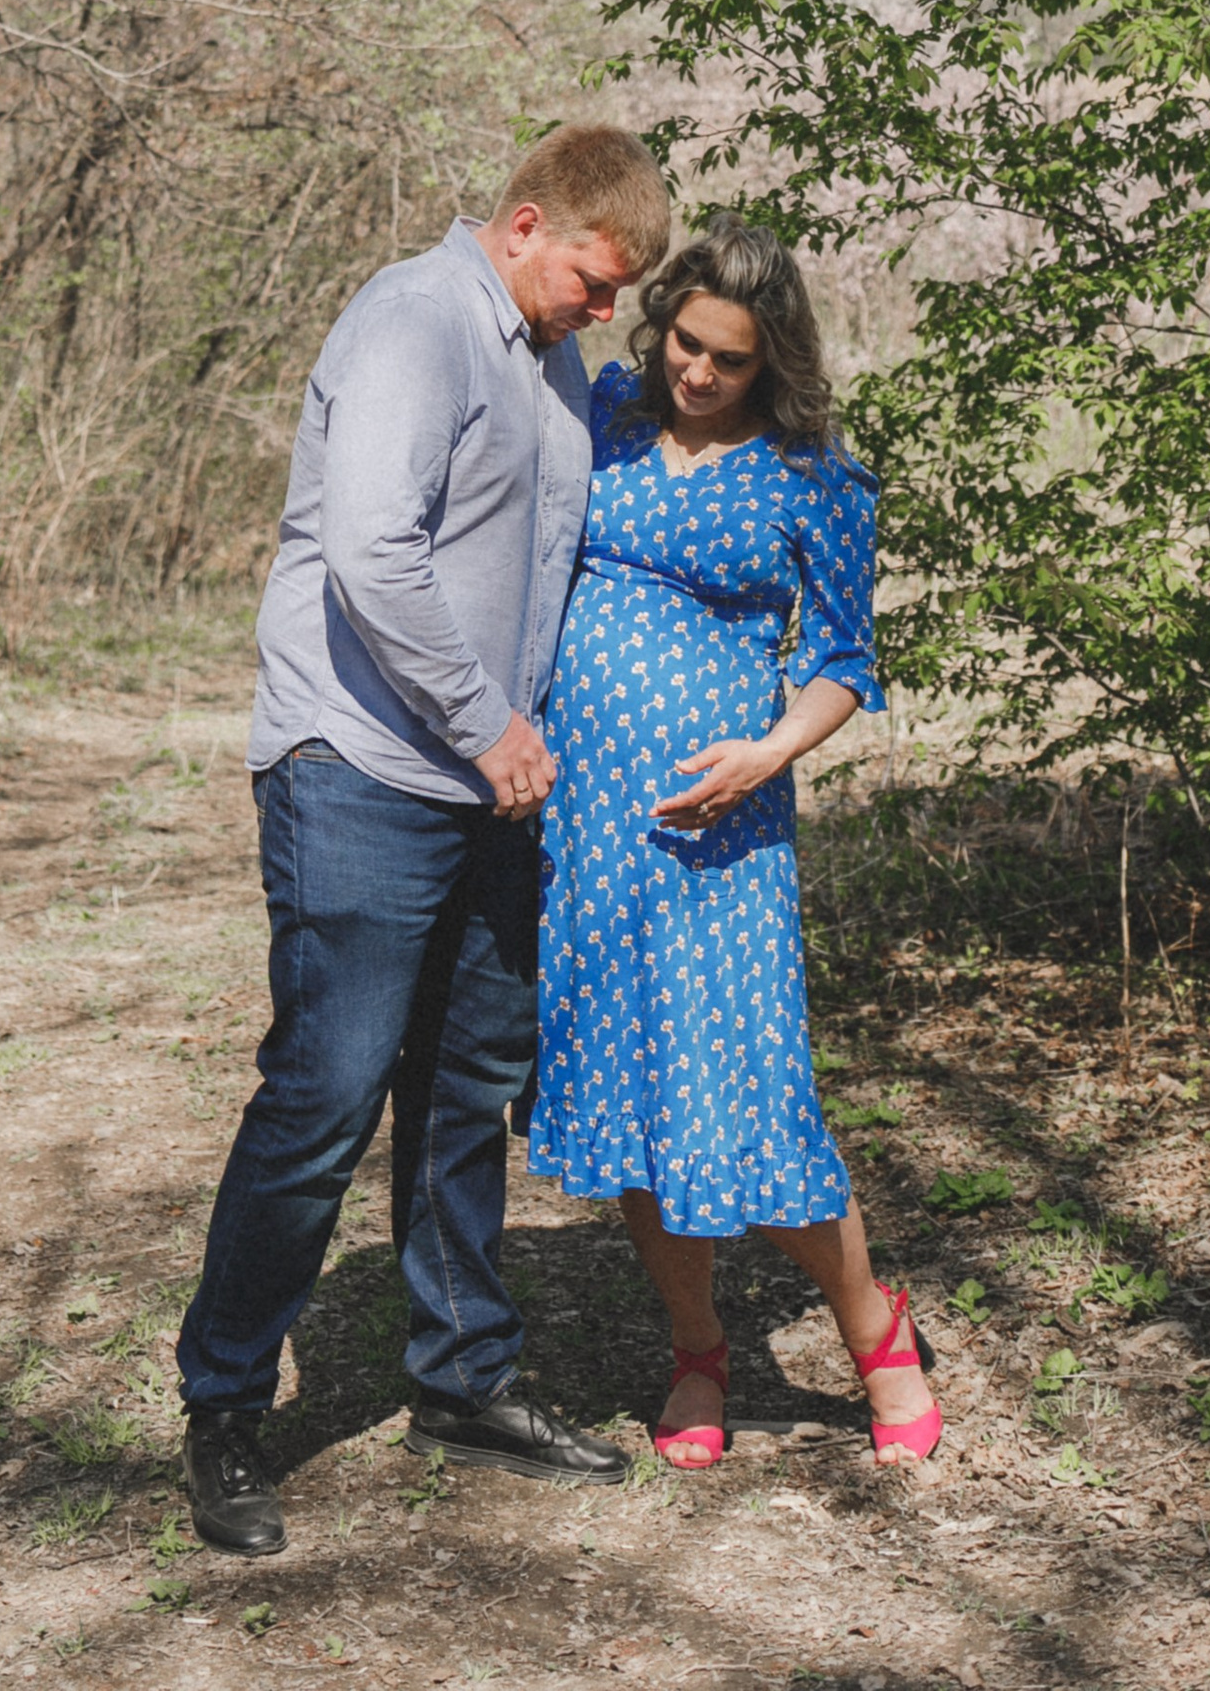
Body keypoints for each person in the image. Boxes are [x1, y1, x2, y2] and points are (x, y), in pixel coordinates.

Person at [174, 122, 674, 1558]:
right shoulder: (414, 322)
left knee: (467, 1090)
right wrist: (482, 721)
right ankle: (224, 1408)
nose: (606, 307)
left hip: (487, 791)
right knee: (325, 1091)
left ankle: (463, 1379)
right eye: (596, 276)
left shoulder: (555, 361)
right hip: (368, 767)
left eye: (621, 289)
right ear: (527, 225)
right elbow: (372, 549)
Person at [528, 219, 942, 1467]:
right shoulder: (598, 414)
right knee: (643, 1095)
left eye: (728, 360)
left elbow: (839, 666)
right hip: (588, 830)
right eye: (684, 345)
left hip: (725, 834)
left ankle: (875, 1333)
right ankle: (697, 1351)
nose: (696, 374)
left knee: (751, 1101)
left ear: (775, 363)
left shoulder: (811, 477)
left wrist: (769, 752)